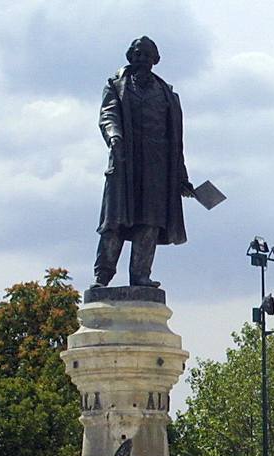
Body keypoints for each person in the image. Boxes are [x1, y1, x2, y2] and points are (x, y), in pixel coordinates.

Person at [93, 36, 195, 289]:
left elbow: (176, 141)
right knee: (113, 223)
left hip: (157, 167)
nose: (141, 59)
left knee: (149, 223)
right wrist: (114, 137)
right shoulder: (116, 86)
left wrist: (181, 176)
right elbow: (108, 115)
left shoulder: (168, 95)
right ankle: (102, 278)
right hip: (125, 164)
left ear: (155, 60)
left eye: (146, 55)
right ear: (130, 57)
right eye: (137, 54)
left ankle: (140, 276)